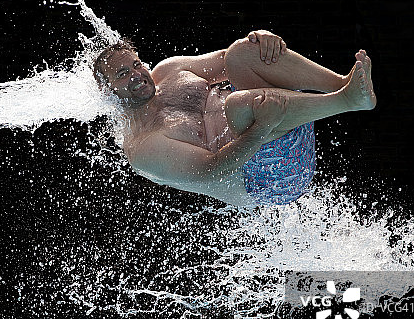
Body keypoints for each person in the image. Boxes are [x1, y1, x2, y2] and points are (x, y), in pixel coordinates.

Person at [92, 30, 376, 206]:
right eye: (122, 74)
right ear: (107, 91)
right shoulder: (143, 146)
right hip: (271, 180)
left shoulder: (169, 70)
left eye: (136, 64)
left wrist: (262, 40)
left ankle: (341, 83)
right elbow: (213, 171)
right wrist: (262, 126)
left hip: (280, 116)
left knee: (242, 52)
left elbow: (230, 57)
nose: (137, 75)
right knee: (237, 104)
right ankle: (345, 101)